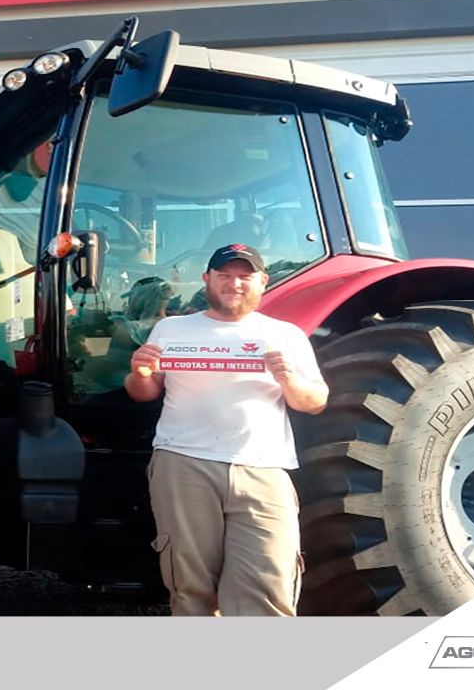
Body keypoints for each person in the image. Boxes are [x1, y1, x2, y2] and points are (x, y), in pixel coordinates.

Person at [123, 243, 328, 616]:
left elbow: (314, 402)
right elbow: (144, 392)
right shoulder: (171, 328)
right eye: (225, 275)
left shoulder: (285, 335)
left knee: (268, 587)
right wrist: (139, 373)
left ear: (263, 281)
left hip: (262, 468)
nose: (234, 283)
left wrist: (288, 379)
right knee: (190, 587)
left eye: (245, 276)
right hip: (183, 463)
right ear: (207, 279)